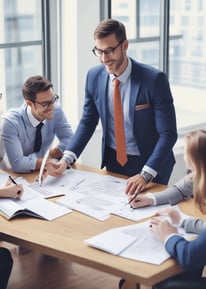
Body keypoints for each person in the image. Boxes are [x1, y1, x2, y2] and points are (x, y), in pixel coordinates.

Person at [46, 18, 177, 193]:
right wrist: (66, 159)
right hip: (114, 162)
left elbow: (168, 134)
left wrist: (146, 174)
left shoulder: (153, 80)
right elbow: (87, 122)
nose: (103, 58)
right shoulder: (94, 76)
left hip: (151, 165)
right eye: (98, 51)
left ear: (125, 46)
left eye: (109, 51)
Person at [149, 129, 206, 289]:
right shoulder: (198, 176)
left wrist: (169, 236)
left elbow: (189, 256)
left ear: (195, 160)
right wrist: (183, 221)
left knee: (163, 284)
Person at [0, 75, 73, 173]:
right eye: (45, 104)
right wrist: (46, 161)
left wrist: (52, 153)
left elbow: (70, 139)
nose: (51, 107)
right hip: (17, 176)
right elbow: (18, 164)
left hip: (43, 172)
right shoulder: (10, 122)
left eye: (53, 100)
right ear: (29, 104)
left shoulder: (56, 110)